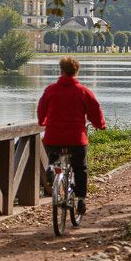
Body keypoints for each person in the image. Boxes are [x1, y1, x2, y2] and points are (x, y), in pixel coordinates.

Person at [37, 56, 106, 215]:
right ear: (76, 71)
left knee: (55, 160)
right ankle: (81, 200)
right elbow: (95, 111)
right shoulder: (83, 91)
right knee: (80, 168)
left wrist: (43, 121)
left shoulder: (50, 90)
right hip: (76, 139)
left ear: (61, 71)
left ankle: (52, 168)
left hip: (53, 138)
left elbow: (41, 111)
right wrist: (100, 125)